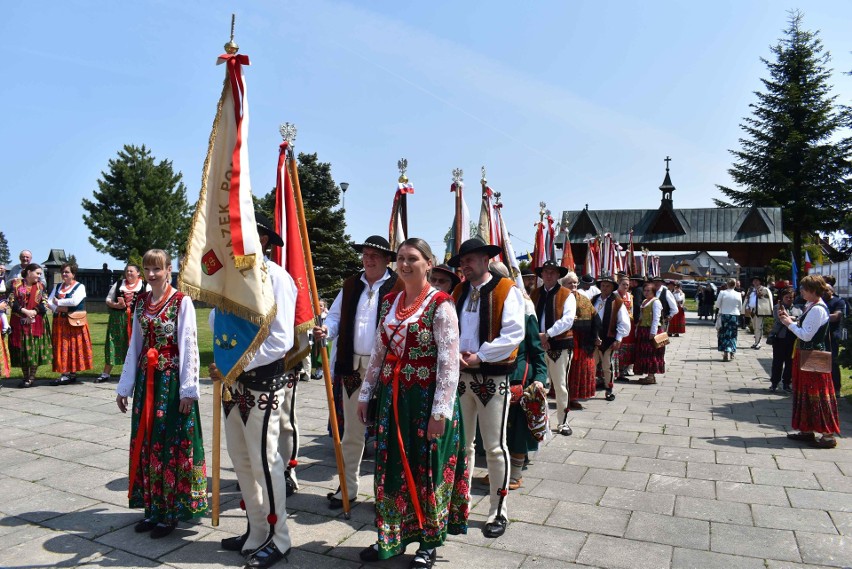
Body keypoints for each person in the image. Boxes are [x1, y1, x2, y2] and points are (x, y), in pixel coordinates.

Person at [356, 238, 468, 568]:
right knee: (390, 468)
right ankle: (389, 538)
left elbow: (449, 363)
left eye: (413, 259)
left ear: (428, 263)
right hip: (394, 399)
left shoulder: (441, 304)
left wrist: (440, 412)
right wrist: (365, 395)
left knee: (427, 470)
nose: (405, 264)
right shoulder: (391, 302)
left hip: (427, 399)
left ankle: (428, 544)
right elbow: (378, 354)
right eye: (401, 258)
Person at [212, 213, 299, 567]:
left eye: (247, 236)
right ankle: (257, 530)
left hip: (262, 383)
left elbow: (281, 339)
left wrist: (237, 365)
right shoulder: (226, 280)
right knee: (242, 462)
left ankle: (280, 539)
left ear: (264, 240)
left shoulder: (276, 277)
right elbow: (217, 324)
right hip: (232, 386)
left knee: (267, 462)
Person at [115, 249, 207, 539]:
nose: (152, 274)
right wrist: (125, 386)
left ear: (169, 270)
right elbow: (135, 345)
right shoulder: (141, 303)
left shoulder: (182, 302)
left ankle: (171, 513)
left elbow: (189, 344)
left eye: (158, 268)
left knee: (170, 445)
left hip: (170, 383)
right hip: (147, 382)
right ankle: (152, 510)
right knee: (147, 444)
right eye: (148, 269)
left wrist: (188, 390)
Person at [313, 235, 403, 509]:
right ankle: (348, 488)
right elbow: (336, 316)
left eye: (374, 254)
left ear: (387, 259)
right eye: (365, 254)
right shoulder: (351, 284)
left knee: (388, 433)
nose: (368, 258)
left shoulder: (399, 285)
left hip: (386, 369)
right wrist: (327, 329)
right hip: (352, 366)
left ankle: (388, 494)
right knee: (352, 432)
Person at [449, 237, 524, 539]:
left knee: (494, 447)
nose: (464, 266)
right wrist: (455, 355)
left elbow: (514, 334)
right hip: (460, 377)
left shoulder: (508, 290)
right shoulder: (458, 291)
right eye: (462, 261)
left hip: (492, 378)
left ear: (485, 259)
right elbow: (448, 328)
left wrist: (480, 355)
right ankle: (460, 503)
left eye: (469, 260)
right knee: (463, 446)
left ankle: (498, 509)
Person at [778, 275, 840, 449]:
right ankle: (806, 430)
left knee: (817, 395)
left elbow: (806, 334)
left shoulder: (817, 309)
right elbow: (806, 327)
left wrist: (790, 323)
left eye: (804, 289)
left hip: (813, 357)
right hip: (806, 355)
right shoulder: (811, 306)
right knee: (805, 393)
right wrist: (789, 320)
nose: (801, 291)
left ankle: (827, 436)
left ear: (813, 290)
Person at [530, 261, 575, 436]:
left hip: (560, 346)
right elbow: (529, 317)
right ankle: (541, 421)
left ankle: (563, 422)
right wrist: (537, 337)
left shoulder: (566, 294)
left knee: (560, 384)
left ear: (558, 275)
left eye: (552, 272)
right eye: (546, 272)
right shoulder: (534, 294)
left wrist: (547, 334)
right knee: (539, 385)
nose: (549, 275)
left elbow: (568, 320)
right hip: (537, 345)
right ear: (541, 275)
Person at [97, 264, 148, 383]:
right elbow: (108, 299)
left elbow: (151, 300)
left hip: (136, 319)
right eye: (127, 271)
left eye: (131, 271)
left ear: (138, 273)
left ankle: (137, 372)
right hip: (117, 319)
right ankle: (105, 373)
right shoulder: (119, 284)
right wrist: (116, 305)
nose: (129, 273)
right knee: (113, 343)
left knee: (136, 345)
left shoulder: (145, 285)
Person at [47, 262, 93, 385]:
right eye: (62, 272)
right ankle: (65, 373)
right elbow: (49, 302)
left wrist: (59, 302)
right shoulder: (58, 287)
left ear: (73, 274)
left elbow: (74, 301)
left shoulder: (80, 286)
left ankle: (71, 373)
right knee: (62, 346)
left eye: (67, 272)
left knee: (73, 347)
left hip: (73, 322)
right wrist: (59, 308)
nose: (64, 274)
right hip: (59, 321)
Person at [6, 263, 51, 388]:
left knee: (34, 349)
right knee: (23, 350)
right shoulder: (16, 284)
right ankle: (25, 376)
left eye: (40, 274)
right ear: (29, 272)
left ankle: (32, 378)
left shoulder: (41, 286)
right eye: (37, 273)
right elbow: (11, 301)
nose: (39, 276)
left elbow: (45, 302)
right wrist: (25, 311)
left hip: (36, 322)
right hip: (19, 321)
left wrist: (34, 311)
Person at [591, 274, 630, 400]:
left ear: (612, 287)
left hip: (608, 339)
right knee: (591, 364)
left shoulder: (617, 302)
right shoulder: (594, 299)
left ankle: (609, 389)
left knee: (607, 365)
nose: (605, 288)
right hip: (593, 339)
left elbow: (623, 322)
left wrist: (619, 338)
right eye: (603, 285)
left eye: (608, 286)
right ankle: (588, 387)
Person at [768, 287, 800, 393]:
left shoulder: (797, 308)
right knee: (777, 362)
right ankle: (774, 383)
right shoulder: (778, 307)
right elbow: (780, 319)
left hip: (792, 338)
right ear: (782, 298)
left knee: (790, 362)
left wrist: (791, 318)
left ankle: (787, 383)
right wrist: (794, 318)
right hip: (780, 338)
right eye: (787, 297)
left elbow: (801, 319)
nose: (789, 299)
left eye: (791, 297)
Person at [634, 282, 664, 384]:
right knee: (645, 353)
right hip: (643, 329)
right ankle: (649, 375)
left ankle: (651, 376)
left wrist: (653, 332)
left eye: (648, 291)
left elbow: (656, 318)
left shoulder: (656, 302)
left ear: (653, 292)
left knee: (652, 353)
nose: (646, 293)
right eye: (645, 290)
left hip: (651, 330)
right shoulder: (645, 301)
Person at [822, 275, 846, 393]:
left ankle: (836, 388)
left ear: (832, 291)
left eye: (826, 290)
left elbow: (836, 317)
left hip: (832, 336)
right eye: (822, 290)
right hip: (821, 336)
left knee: (833, 363)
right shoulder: (819, 301)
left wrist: (819, 317)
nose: (824, 292)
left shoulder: (838, 301)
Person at [614, 276, 637, 382]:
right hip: (617, 322)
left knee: (628, 348)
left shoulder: (630, 296)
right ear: (619, 283)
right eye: (623, 284)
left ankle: (623, 371)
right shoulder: (614, 295)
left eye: (627, 284)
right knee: (618, 347)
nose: (625, 286)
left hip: (629, 323)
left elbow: (631, 311)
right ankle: (616, 371)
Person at [715, 278, 743, 362]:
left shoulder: (722, 293)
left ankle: (725, 352)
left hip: (724, 315)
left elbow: (717, 305)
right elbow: (740, 306)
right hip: (734, 316)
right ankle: (732, 352)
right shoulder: (738, 294)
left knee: (724, 334)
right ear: (735, 285)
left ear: (727, 284)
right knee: (733, 334)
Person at [746, 276, 773, 349]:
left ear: (760, 282)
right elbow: (748, 299)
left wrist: (768, 309)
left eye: (757, 280)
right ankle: (756, 341)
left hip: (759, 310)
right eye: (754, 281)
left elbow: (768, 300)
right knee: (755, 327)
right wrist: (747, 307)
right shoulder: (751, 290)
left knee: (759, 327)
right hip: (752, 310)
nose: (755, 282)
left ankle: (758, 342)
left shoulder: (764, 289)